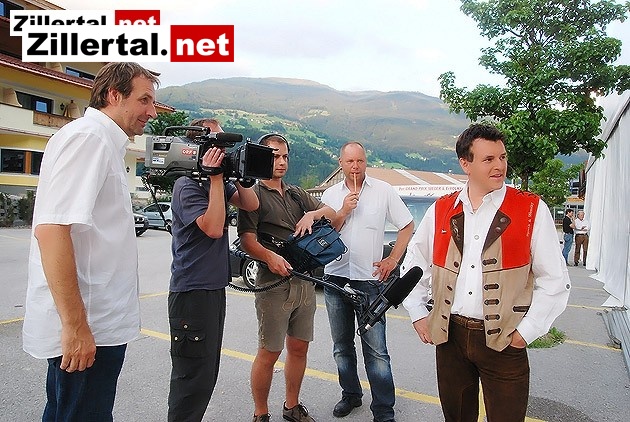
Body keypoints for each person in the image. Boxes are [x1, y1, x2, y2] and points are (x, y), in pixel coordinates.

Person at [401, 124, 571, 422]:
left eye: (502, 157)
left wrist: (526, 332)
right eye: (488, 159)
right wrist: (416, 312)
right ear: (465, 164)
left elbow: (555, 279)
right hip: (451, 337)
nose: (499, 166)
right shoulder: (442, 209)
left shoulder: (531, 209)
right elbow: (415, 264)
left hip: (505, 339)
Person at [22, 62, 159, 421]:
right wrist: (76, 326)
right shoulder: (90, 139)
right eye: (144, 99)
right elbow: (52, 230)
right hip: (89, 325)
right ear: (114, 95)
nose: (152, 112)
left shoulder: (102, 142)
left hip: (97, 323)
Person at [237, 133, 336, 422]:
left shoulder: (295, 193)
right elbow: (247, 240)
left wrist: (311, 216)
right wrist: (270, 257)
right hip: (273, 284)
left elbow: (330, 211)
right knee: (269, 351)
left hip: (304, 281)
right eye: (274, 156)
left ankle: (292, 406)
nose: (281, 162)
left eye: (285, 156)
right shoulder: (252, 194)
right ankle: (261, 413)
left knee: (299, 347)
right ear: (261, 158)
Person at [167, 118, 259, 421]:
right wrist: (217, 179)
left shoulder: (211, 181)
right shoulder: (187, 185)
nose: (224, 150)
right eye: (217, 143)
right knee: (191, 378)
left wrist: (241, 176)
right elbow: (214, 227)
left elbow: (251, 205)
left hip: (211, 289)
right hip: (191, 292)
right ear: (199, 147)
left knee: (205, 373)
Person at [320, 141, 414, 422]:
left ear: (366, 162)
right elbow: (324, 233)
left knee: (376, 351)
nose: (355, 167)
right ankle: (351, 394)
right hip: (335, 278)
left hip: (369, 281)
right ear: (340, 163)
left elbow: (407, 225)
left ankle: (383, 410)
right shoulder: (330, 194)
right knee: (341, 345)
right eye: (350, 162)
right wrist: (343, 211)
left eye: (360, 161)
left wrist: (393, 259)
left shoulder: (383, 191)